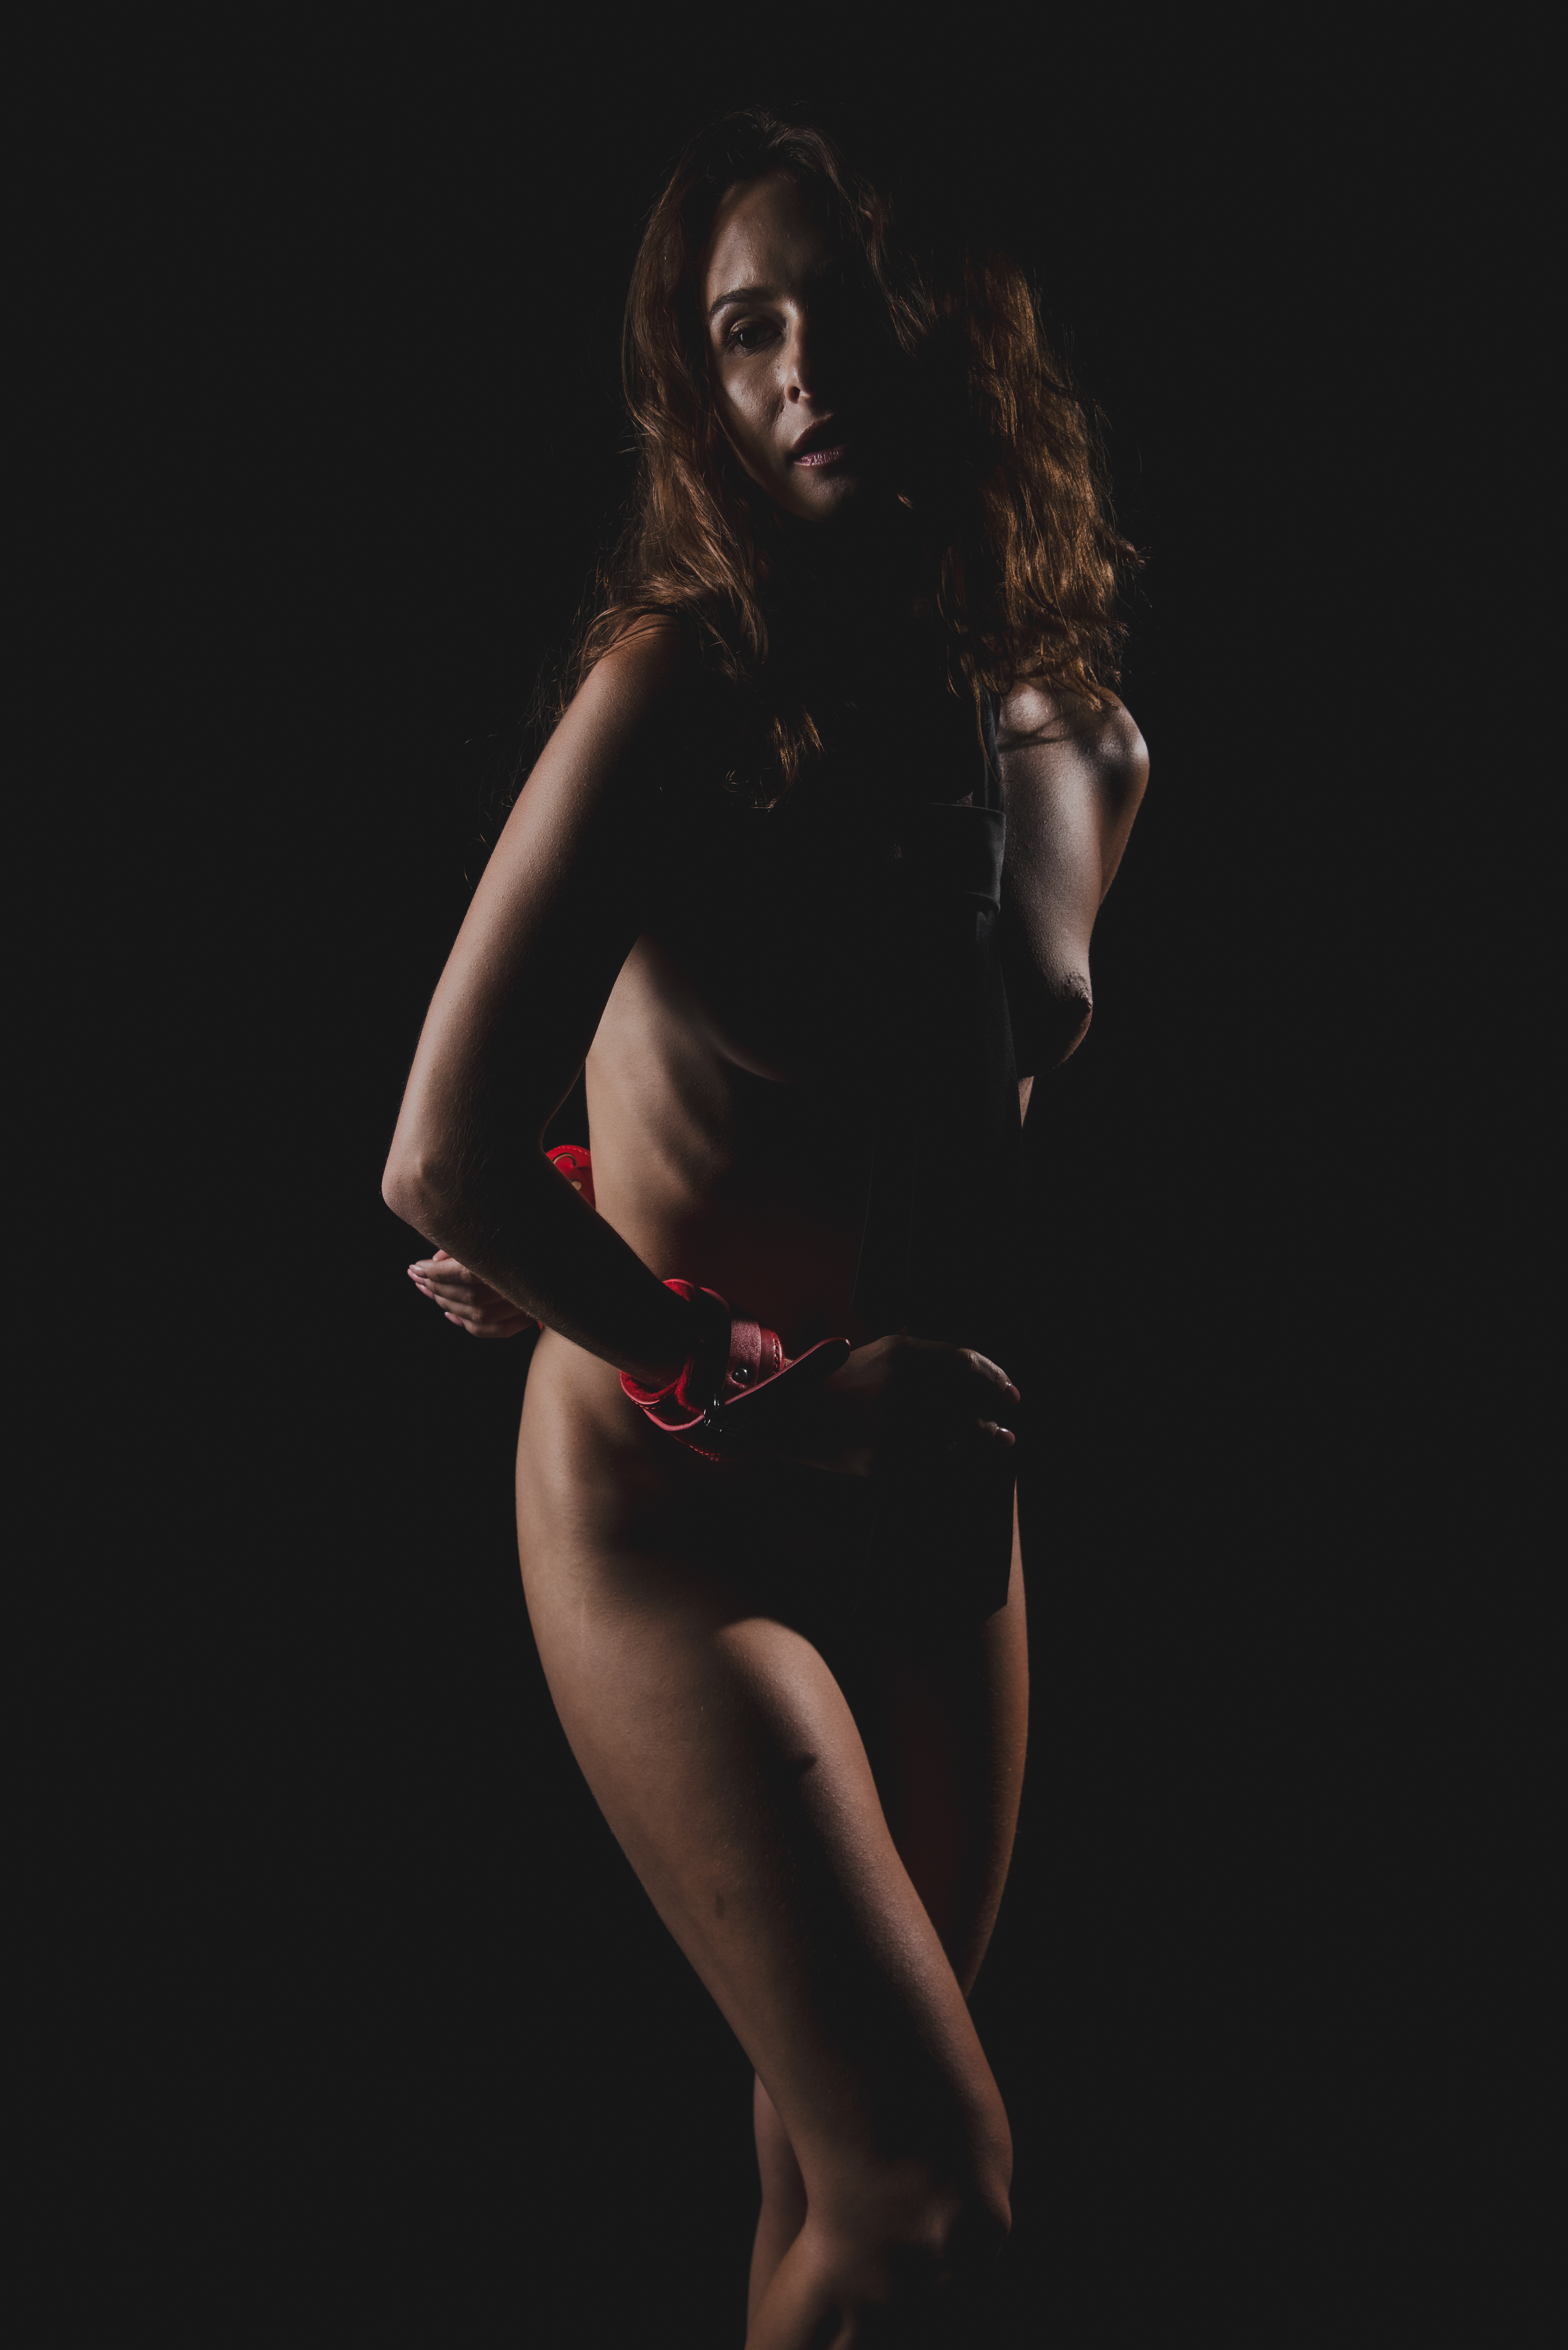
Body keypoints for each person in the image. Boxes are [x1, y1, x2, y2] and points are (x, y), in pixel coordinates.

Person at [382, 107, 1147, 2347]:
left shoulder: (1084, 746)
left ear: (951, 333)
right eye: (745, 330)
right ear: (700, 389)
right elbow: (435, 1152)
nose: (805, 367)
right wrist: (658, 1308)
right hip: (677, 1494)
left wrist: (613, 1212)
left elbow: (915, 1098)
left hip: (928, 1496)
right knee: (931, 2195)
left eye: (844, 308)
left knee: (828, 2187)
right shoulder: (677, 693)